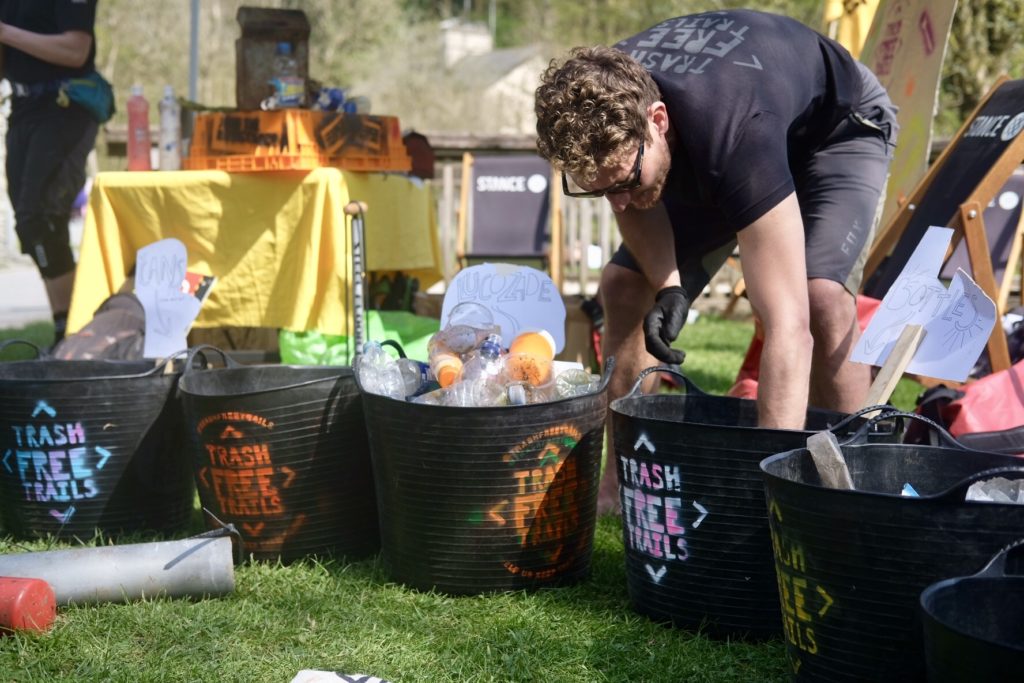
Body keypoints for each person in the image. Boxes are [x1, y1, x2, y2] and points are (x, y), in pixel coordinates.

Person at [534, 9, 898, 514]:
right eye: (598, 191)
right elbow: (634, 198)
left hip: (835, 130)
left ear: (657, 121)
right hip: (716, 134)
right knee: (624, 287)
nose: (615, 204)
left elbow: (787, 329)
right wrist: (669, 286)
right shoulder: (606, 93)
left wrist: (764, 491)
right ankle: (619, 489)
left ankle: (850, 492)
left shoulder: (735, 129)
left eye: (622, 184)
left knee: (817, 299)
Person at [0, 0, 100, 345]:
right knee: (31, 227)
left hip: (66, 107)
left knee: (41, 219)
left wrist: (5, 32)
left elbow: (76, 49)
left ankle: (74, 334)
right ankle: (69, 331)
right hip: (23, 109)